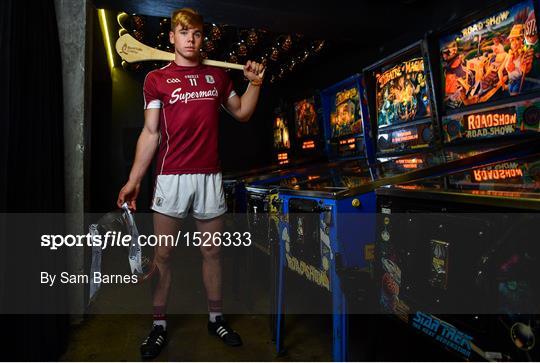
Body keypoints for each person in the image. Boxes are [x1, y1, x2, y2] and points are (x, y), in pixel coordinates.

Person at [116, 8, 265, 360]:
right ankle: (159, 324)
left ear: (202, 38)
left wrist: (255, 83)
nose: (190, 39)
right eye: (183, 33)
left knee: (212, 251)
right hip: (171, 178)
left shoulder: (217, 77)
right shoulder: (156, 79)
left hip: (209, 177)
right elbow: (151, 133)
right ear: (172, 37)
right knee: (163, 255)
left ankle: (216, 318)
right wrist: (134, 179)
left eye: (196, 34)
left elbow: (242, 112)